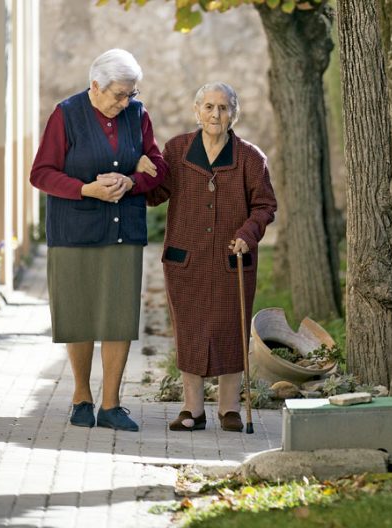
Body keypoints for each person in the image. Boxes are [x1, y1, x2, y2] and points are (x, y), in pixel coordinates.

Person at [30, 49, 167, 431]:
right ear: (95, 86)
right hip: (74, 229)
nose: (125, 102)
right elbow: (41, 173)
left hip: (123, 230)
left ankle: (111, 405)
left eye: (131, 94)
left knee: (118, 316)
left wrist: (132, 180)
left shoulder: (137, 115)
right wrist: (86, 189)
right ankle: (81, 397)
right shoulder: (66, 114)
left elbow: (158, 169)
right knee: (79, 314)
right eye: (119, 95)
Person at [147, 82, 276, 432]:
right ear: (197, 111)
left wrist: (247, 236)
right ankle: (193, 410)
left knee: (229, 329)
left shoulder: (250, 157)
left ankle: (229, 409)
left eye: (223, 107)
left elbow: (265, 205)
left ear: (234, 113)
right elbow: (158, 193)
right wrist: (141, 175)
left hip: (230, 261)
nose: (215, 114)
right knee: (189, 331)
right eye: (209, 107)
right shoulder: (176, 150)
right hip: (185, 261)